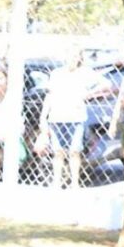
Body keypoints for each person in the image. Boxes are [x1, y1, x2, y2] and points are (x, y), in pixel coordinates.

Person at [39, 49, 92, 189]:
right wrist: (43, 116)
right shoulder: (56, 74)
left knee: (75, 150)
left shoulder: (83, 74)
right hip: (57, 117)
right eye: (70, 55)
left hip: (76, 118)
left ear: (79, 58)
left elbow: (105, 84)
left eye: (75, 56)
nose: (72, 59)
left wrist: (89, 94)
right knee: (58, 151)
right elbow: (49, 95)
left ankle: (75, 182)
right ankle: (56, 181)